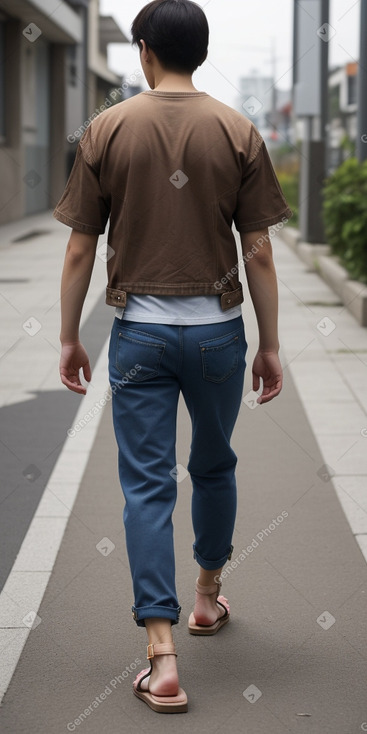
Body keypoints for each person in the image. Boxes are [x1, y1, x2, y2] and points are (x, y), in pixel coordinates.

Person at [54, 0, 292, 714]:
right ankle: (207, 599)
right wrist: (271, 343)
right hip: (218, 332)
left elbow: (77, 246)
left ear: (145, 50)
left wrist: (69, 335)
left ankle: (161, 659)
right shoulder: (237, 127)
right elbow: (258, 248)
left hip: (140, 335)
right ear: (200, 49)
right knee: (214, 463)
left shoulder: (107, 128)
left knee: (146, 486)